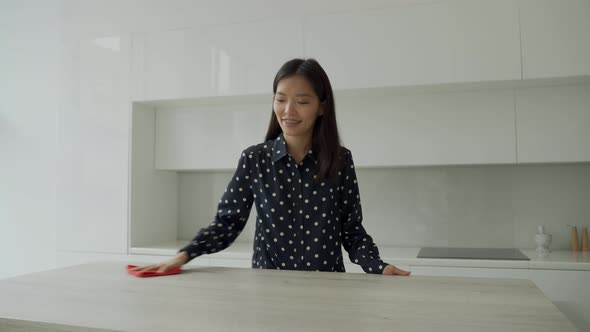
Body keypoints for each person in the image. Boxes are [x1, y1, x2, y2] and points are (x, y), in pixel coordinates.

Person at [132, 58, 411, 276]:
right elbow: (228, 223)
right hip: (268, 288)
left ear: (322, 107)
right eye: (280, 99)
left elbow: (351, 230)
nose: (288, 111)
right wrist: (184, 255)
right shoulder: (254, 160)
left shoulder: (340, 160)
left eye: (302, 101)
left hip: (328, 290)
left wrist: (379, 266)